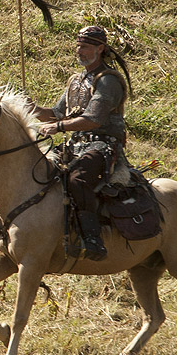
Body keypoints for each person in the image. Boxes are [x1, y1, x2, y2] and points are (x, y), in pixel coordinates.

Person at [33, 25, 133, 261]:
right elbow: (57, 113)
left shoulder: (108, 81)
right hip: (75, 146)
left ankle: (93, 239)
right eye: (78, 46)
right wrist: (32, 109)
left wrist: (57, 127)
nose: (80, 51)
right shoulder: (76, 81)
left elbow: (93, 119)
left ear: (100, 48)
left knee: (77, 180)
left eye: (85, 46)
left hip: (102, 146)